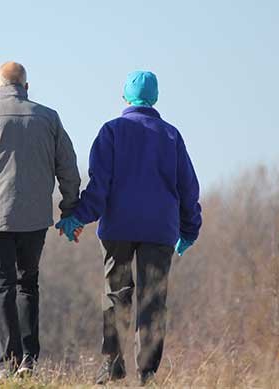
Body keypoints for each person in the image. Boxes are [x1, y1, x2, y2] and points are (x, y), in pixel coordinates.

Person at [56, 70, 202, 386]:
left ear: (124, 97)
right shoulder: (171, 135)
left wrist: (78, 217)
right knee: (153, 300)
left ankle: (112, 364)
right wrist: (190, 230)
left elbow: (99, 186)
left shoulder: (111, 131)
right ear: (156, 98)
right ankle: (147, 374)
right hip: (160, 231)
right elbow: (188, 188)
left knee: (116, 295)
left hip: (117, 228)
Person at [0, 61, 81, 378]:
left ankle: (5, 364)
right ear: (27, 86)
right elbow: (68, 168)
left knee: (1, 288)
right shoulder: (48, 117)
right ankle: (28, 361)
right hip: (35, 218)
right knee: (28, 285)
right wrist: (69, 209)